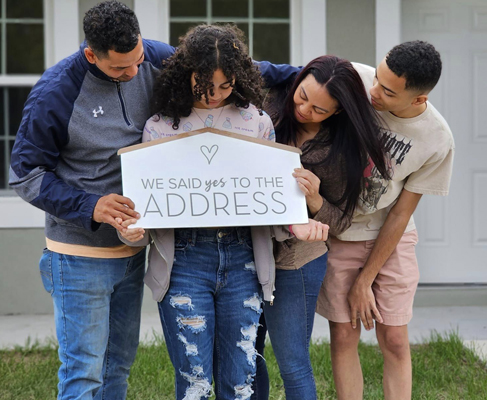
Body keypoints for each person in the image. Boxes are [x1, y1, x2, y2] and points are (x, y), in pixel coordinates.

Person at [116, 24, 329, 400]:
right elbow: (148, 208)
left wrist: (295, 223)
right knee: (194, 384)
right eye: (204, 86)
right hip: (183, 262)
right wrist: (132, 232)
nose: (214, 95)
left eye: (225, 86)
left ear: (239, 78)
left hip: (244, 259)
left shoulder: (257, 121)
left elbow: (270, 197)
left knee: (240, 384)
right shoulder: (159, 127)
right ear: (186, 75)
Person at [9, 2, 177, 398]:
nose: (133, 73)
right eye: (119, 68)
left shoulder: (153, 57)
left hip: (132, 253)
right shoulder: (55, 92)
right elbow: (25, 175)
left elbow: (224, 66)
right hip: (78, 258)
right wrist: (91, 206)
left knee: (118, 367)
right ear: (91, 55)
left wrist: (308, 76)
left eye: (137, 60)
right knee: (84, 374)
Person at [316, 41, 455, 400]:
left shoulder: (437, 139)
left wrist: (366, 279)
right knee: (344, 334)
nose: (374, 91)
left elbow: (400, 214)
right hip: (342, 232)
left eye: (389, 92)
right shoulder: (356, 80)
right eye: (377, 78)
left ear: (418, 99)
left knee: (393, 338)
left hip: (391, 236)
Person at [251, 56, 390, 400]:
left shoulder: (340, 149)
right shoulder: (269, 106)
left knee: (293, 363)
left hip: (296, 261)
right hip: (246, 250)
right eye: (301, 97)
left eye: (318, 110)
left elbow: (341, 222)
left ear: (337, 111)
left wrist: (314, 199)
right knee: (247, 356)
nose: (303, 110)